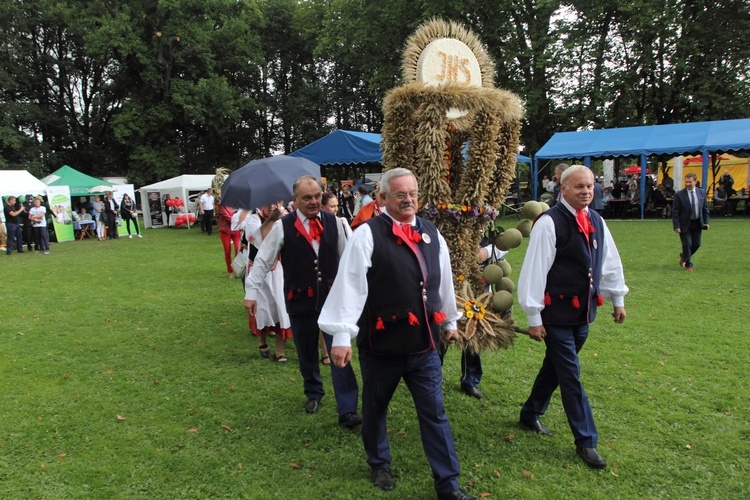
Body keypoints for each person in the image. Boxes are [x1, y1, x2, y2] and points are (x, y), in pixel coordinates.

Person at [319, 168, 475, 500]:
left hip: (424, 346)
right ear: (383, 198)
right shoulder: (367, 234)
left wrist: (449, 321)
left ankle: (449, 485)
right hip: (382, 344)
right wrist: (343, 336)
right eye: (400, 194)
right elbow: (350, 286)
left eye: (413, 193)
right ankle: (379, 463)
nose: (408, 200)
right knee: (376, 406)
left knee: (434, 412)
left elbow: (443, 281)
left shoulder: (432, 233)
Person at [517, 165, 628, 470]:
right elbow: (534, 271)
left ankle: (530, 412)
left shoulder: (597, 220)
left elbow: (608, 261)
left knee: (556, 368)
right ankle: (586, 441)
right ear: (562, 189)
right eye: (579, 186)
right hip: (555, 315)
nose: (586, 191)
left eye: (590, 186)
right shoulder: (548, 223)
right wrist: (534, 316)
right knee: (571, 376)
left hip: (583, 313)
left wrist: (617, 298)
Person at [244, 175, 361, 427]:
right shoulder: (282, 226)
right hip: (299, 300)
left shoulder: (336, 222)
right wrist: (251, 291)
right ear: (295, 200)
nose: (314, 201)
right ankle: (314, 393)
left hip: (333, 301)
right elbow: (263, 260)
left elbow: (347, 260)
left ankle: (348, 408)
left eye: (317, 196)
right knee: (307, 352)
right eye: (307, 197)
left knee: (339, 351)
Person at [237, 203, 292, 363]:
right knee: (261, 307)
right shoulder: (254, 219)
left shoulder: (284, 217)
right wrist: (271, 221)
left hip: (279, 269)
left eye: (275, 203)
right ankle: (262, 341)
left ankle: (280, 351)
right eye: (269, 203)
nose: (272, 206)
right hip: (258, 270)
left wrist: (282, 220)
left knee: (281, 307)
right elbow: (258, 241)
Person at [318, 192, 352, 365]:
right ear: (322, 207)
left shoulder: (340, 222)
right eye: (332, 206)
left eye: (337, 205)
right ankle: (323, 350)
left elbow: (344, 250)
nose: (336, 209)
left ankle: (327, 350)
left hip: (334, 276)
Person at [672, 172, 709, 272]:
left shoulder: (701, 193)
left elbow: (705, 209)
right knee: (687, 244)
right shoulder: (679, 195)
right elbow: (675, 212)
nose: (688, 184)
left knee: (697, 244)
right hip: (684, 224)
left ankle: (684, 256)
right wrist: (676, 225)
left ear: (695, 182)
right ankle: (689, 264)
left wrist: (706, 222)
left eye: (690, 182)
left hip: (697, 223)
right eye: (686, 182)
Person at [217, 201, 241, 279]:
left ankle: (237, 269)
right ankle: (230, 271)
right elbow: (226, 216)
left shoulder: (237, 203)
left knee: (238, 249)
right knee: (227, 250)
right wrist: (239, 222)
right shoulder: (221, 204)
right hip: (225, 230)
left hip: (235, 229)